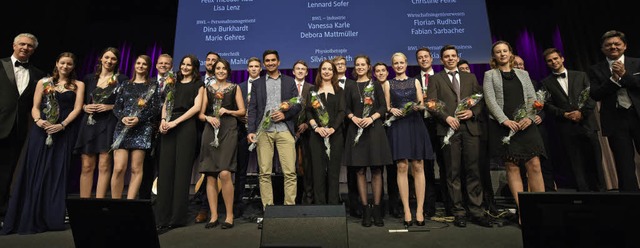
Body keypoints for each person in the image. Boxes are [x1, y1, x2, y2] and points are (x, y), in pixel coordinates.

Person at [1, 52, 84, 234]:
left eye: (69, 64)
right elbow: (35, 107)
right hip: (41, 131)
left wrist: (62, 125)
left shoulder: (79, 85)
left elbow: (78, 108)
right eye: (62, 63)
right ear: (57, 63)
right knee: (36, 170)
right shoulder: (44, 82)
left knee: (57, 171)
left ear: (73, 66)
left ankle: (51, 216)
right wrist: (39, 121)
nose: (65, 66)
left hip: (64, 132)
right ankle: (29, 213)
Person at [427, 45, 491, 228]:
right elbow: (431, 103)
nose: (450, 58)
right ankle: (458, 211)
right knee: (452, 172)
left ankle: (476, 210)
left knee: (473, 171)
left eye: (453, 56)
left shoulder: (469, 77)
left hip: (470, 129)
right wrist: (446, 117)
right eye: (446, 56)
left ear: (457, 57)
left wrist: (473, 113)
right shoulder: (435, 79)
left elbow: (479, 99)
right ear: (441, 60)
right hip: (448, 130)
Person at [483, 41, 546, 224]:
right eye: (498, 52)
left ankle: (539, 208)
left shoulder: (523, 73)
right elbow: (490, 100)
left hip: (526, 125)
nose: (502, 54)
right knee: (512, 166)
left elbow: (533, 99)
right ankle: (524, 211)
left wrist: (529, 117)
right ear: (494, 56)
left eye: (505, 51)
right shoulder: (490, 75)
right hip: (505, 126)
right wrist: (505, 120)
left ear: (510, 53)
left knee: (534, 165)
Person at [541, 48, 604, 192]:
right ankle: (583, 194)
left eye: (556, 58)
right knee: (576, 164)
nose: (553, 62)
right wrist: (564, 114)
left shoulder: (581, 75)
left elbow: (591, 96)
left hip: (587, 124)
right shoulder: (546, 83)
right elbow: (547, 105)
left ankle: (602, 193)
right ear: (547, 63)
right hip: (566, 128)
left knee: (595, 161)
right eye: (550, 60)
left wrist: (581, 113)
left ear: (562, 59)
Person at [246, 50, 301, 213]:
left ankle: (289, 209)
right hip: (264, 132)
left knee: (290, 172)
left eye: (273, 60)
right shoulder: (257, 84)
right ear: (264, 64)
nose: (270, 63)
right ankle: (268, 210)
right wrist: (251, 130)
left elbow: (297, 105)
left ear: (278, 62)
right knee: (264, 173)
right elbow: (253, 108)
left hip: (285, 130)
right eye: (267, 61)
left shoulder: (290, 82)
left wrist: (284, 115)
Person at [155, 54, 205, 233]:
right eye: (183, 64)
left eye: (188, 65)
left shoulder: (198, 85)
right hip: (168, 126)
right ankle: (162, 217)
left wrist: (176, 122)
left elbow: (196, 107)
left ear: (194, 67)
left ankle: (177, 218)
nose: (184, 67)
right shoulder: (172, 83)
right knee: (166, 170)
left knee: (182, 172)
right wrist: (163, 120)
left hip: (186, 126)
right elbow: (166, 103)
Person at [342, 55, 393, 227]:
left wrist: (371, 118)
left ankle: (377, 210)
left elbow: (383, 107)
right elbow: (345, 107)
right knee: (360, 171)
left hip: (374, 130)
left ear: (368, 66)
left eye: (363, 64)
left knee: (377, 170)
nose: (360, 67)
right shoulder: (350, 85)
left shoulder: (376, 84)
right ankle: (365, 210)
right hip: (356, 130)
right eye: (357, 65)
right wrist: (352, 117)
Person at [0, 33, 46, 219]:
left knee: (7, 171)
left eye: (29, 46)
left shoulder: (38, 74)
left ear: (33, 50)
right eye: (22, 44)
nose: (25, 48)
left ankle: (2, 210)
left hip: (17, 129)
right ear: (13, 45)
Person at [588, 30, 640, 192]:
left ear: (624, 46)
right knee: (624, 163)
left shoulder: (637, 63)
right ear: (602, 49)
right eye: (608, 45)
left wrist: (624, 75)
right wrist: (613, 80)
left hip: (637, 115)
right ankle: (631, 201)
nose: (613, 47)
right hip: (615, 119)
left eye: (617, 44)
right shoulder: (596, 69)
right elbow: (595, 94)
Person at [386, 52, 433, 227]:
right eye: (395, 63)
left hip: (414, 124)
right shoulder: (388, 84)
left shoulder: (415, 81)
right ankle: (406, 209)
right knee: (402, 166)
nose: (399, 65)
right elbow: (387, 106)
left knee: (418, 165)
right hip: (398, 126)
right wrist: (391, 110)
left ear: (406, 64)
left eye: (401, 63)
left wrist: (417, 106)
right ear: (393, 65)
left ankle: (419, 210)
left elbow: (421, 104)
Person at [75, 47, 128, 199]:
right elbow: (81, 103)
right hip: (89, 123)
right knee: (86, 166)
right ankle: (84, 205)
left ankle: (98, 203)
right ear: (101, 59)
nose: (109, 61)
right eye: (107, 57)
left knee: (104, 165)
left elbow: (125, 105)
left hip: (109, 122)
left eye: (113, 59)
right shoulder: (89, 78)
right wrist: (85, 107)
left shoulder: (122, 79)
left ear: (117, 62)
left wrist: (109, 106)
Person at [198, 58, 245, 229]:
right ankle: (214, 216)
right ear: (214, 70)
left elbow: (242, 111)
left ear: (228, 71)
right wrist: (209, 117)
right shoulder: (207, 89)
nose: (220, 71)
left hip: (229, 129)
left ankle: (229, 215)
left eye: (224, 68)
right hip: (210, 129)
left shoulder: (234, 88)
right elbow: (201, 114)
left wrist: (229, 111)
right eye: (218, 68)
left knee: (225, 173)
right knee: (210, 174)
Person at [111, 55, 161, 199]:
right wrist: (123, 117)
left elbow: (155, 109)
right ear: (134, 65)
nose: (140, 66)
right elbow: (117, 107)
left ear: (148, 67)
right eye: (138, 63)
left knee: (136, 168)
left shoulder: (153, 86)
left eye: (144, 64)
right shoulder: (125, 84)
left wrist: (139, 118)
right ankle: (116, 202)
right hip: (123, 128)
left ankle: (130, 203)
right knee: (119, 168)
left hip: (142, 129)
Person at [415, 47, 452, 218]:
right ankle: (428, 207)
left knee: (446, 165)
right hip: (422, 125)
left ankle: (449, 205)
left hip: (442, 124)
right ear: (417, 61)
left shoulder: (442, 78)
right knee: (426, 167)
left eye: (426, 57)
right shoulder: (413, 80)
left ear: (432, 58)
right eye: (420, 58)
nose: (423, 60)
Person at [513, 54, 556, 192]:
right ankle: (525, 194)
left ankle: (548, 192)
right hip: (517, 128)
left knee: (544, 161)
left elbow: (544, 105)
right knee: (520, 164)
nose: (519, 66)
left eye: (521, 64)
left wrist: (540, 116)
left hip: (537, 128)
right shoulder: (506, 84)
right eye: (516, 64)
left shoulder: (536, 83)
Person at [306, 60, 345, 205]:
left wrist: (332, 128)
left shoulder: (340, 90)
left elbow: (342, 112)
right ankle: (320, 205)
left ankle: (333, 205)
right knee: (318, 172)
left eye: (330, 69)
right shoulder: (312, 90)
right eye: (324, 69)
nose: (327, 71)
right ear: (320, 71)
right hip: (316, 136)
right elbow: (309, 112)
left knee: (334, 172)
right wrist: (316, 128)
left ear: (334, 72)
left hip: (335, 135)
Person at [139, 53, 173, 200]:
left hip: (167, 128)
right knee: (146, 166)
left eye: (166, 63)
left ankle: (162, 200)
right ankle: (144, 199)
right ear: (156, 65)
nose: (163, 65)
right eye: (161, 63)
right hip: (147, 129)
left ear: (171, 66)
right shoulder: (148, 82)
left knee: (164, 166)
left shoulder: (175, 83)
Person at [333, 55, 361, 218]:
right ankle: (333, 201)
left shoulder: (353, 83)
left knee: (353, 168)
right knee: (332, 166)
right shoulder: (328, 84)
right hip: (333, 130)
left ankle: (354, 203)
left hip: (351, 128)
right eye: (337, 64)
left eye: (343, 64)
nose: (340, 66)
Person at [194, 51, 219, 223]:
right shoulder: (197, 81)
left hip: (212, 129)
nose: (210, 62)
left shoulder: (222, 85)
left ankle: (204, 208)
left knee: (210, 169)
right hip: (192, 127)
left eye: (214, 61)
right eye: (208, 59)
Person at [373, 62, 400, 218]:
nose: (381, 73)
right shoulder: (371, 88)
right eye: (378, 71)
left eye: (383, 70)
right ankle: (379, 204)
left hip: (393, 129)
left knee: (393, 168)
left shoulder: (394, 86)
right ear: (374, 74)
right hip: (377, 130)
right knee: (378, 169)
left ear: (387, 72)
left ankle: (394, 204)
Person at [236, 57, 261, 218]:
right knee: (241, 169)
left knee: (263, 168)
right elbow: (235, 108)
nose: (253, 69)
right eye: (251, 66)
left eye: (256, 66)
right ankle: (238, 203)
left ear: (260, 69)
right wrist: (242, 118)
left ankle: (263, 202)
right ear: (247, 69)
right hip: (242, 131)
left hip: (262, 130)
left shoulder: (266, 85)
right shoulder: (240, 87)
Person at [292, 60, 314, 204]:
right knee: (290, 166)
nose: (300, 71)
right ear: (293, 72)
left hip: (307, 132)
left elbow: (315, 110)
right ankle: (293, 198)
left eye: (303, 69)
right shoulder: (287, 86)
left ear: (306, 72)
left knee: (307, 165)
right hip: (288, 131)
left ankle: (308, 197)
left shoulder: (312, 88)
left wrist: (306, 124)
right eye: (297, 69)